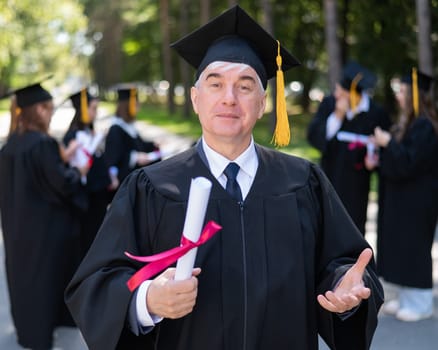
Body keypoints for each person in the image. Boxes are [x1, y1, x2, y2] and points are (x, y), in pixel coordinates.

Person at [65, 5, 383, 350]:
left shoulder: (302, 182)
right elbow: (95, 284)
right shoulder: (152, 187)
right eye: (215, 84)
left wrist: (344, 286)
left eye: (245, 86)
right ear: (196, 98)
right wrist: (147, 301)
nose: (229, 98)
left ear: (263, 104)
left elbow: (344, 265)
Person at [0, 79, 90, 349]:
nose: (51, 113)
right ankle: (54, 324)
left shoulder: (8, 147)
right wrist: (78, 172)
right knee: (47, 280)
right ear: (37, 110)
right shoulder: (42, 144)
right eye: (48, 108)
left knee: (24, 280)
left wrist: (62, 157)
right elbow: (61, 183)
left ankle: (31, 333)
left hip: (16, 230)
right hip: (45, 230)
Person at [365, 68, 438, 322]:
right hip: (401, 199)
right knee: (399, 245)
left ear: (416, 95)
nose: (399, 96)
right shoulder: (407, 123)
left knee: (414, 247)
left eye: (404, 91)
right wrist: (380, 154)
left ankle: (420, 303)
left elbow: (409, 162)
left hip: (418, 201)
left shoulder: (426, 126)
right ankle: (404, 297)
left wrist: (389, 144)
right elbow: (397, 162)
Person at [307, 61, 392, 234]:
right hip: (330, 178)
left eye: (341, 91)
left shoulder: (376, 113)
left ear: (353, 94)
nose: (336, 94)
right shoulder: (330, 105)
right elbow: (314, 137)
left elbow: (385, 151)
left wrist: (375, 160)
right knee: (326, 226)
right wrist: (338, 115)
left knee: (354, 229)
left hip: (357, 186)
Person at [62, 88, 118, 259]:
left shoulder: (92, 132)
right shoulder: (72, 136)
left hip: (98, 195)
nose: (96, 112)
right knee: (88, 240)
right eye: (93, 108)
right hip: (86, 199)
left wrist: (110, 176)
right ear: (83, 110)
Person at [104, 83, 161, 186]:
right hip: (126, 183)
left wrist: (152, 145)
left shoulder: (129, 125)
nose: (138, 107)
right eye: (136, 104)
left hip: (136, 176)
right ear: (127, 106)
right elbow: (113, 159)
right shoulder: (115, 129)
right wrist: (134, 157)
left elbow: (138, 144)